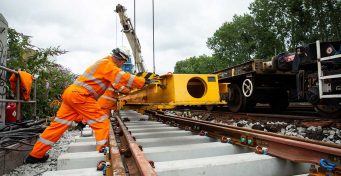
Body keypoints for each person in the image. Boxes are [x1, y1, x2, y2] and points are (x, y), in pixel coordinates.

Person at [25, 48, 146, 164]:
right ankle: (103, 153)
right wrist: (143, 82)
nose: (122, 65)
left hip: (71, 94)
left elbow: (118, 82)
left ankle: (35, 155)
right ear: (120, 60)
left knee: (57, 125)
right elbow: (123, 77)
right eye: (123, 62)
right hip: (80, 95)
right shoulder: (107, 65)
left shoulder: (103, 63)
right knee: (102, 122)